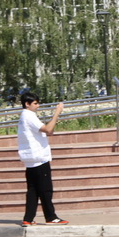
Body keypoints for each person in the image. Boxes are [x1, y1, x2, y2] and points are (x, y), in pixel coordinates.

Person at [17, 92, 68, 226]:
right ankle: (51, 217)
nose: (37, 106)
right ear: (27, 104)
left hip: (30, 159)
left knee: (33, 191)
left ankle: (28, 218)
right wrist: (57, 112)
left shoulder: (24, 116)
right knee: (45, 190)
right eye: (35, 103)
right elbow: (48, 129)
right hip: (39, 158)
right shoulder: (29, 115)